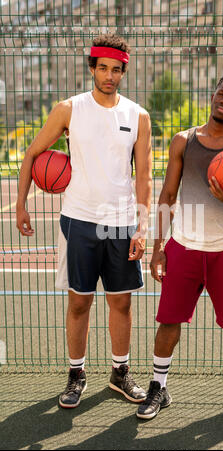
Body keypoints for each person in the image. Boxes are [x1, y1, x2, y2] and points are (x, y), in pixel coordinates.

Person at [16, 33, 152, 408]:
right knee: (80, 303)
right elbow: (32, 154)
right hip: (79, 220)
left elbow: (144, 176)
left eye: (116, 70)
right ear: (92, 68)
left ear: (124, 71)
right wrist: (21, 204)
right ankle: (76, 375)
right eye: (103, 68)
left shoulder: (138, 115)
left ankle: (119, 373)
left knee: (121, 303)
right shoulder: (68, 109)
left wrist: (143, 226)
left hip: (122, 222)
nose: (109, 75)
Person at [136, 57, 223, 421]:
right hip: (184, 246)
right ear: (213, 95)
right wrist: (159, 248)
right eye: (220, 94)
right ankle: (158, 387)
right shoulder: (184, 140)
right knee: (168, 322)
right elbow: (166, 195)